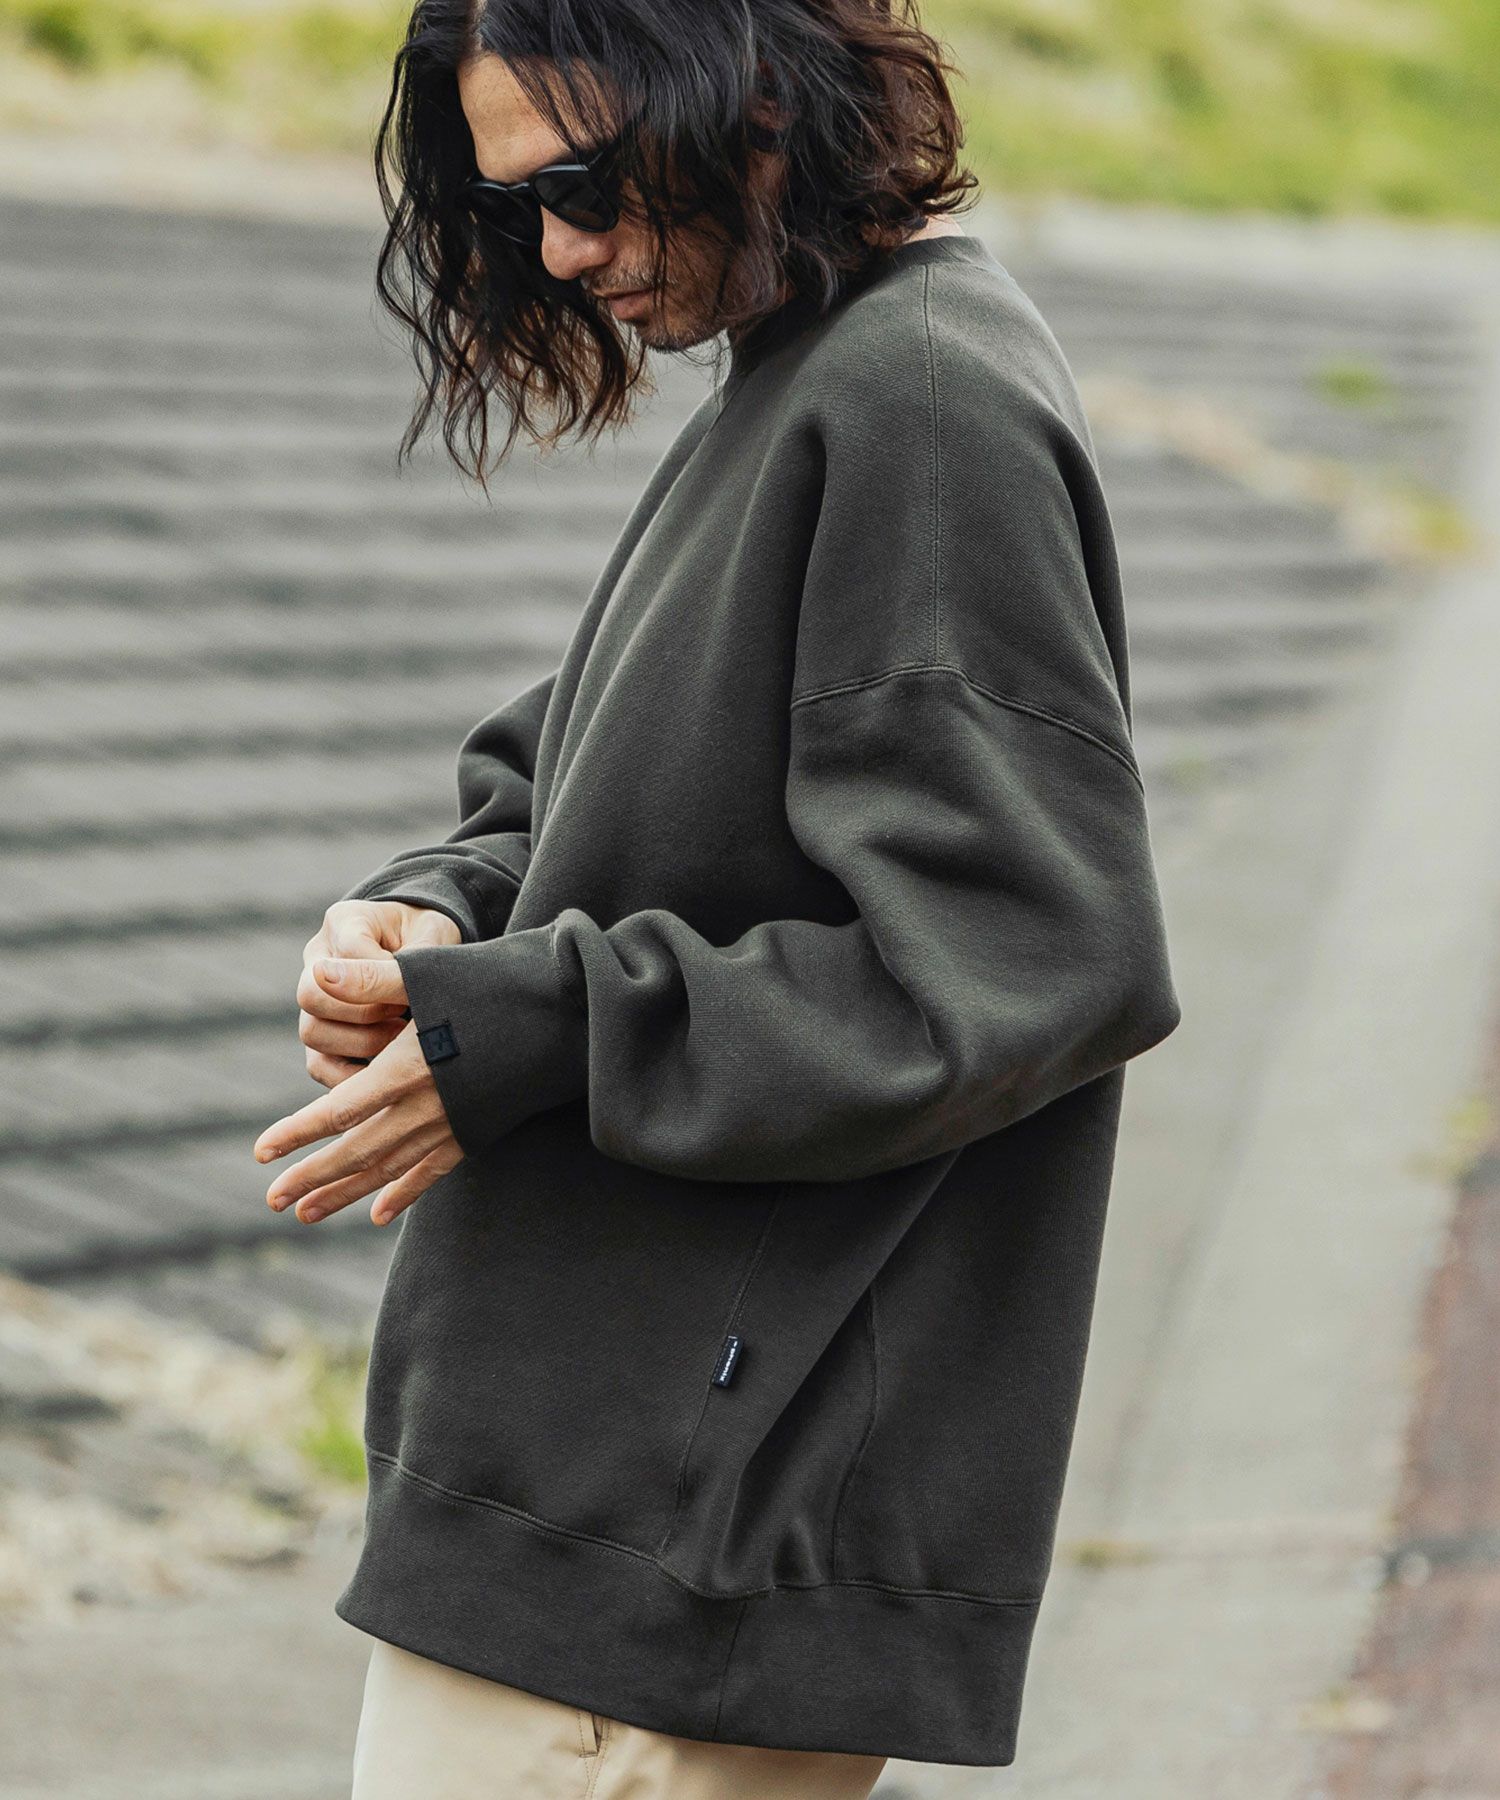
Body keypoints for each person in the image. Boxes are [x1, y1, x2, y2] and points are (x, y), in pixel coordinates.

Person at [250, 1, 1183, 1794]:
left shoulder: (917, 401)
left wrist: (547, 1026)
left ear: (751, 94)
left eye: (583, 184)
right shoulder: (818, 367)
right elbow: (601, 772)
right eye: (513, 204)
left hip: (671, 1555)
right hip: (615, 1509)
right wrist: (445, 911)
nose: (557, 250)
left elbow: (1025, 957)